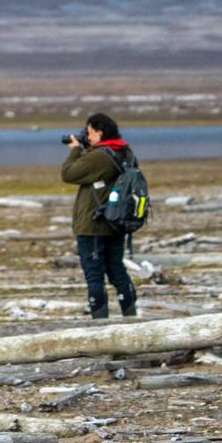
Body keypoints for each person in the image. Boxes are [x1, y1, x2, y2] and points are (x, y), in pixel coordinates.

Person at [61, 113, 139, 318]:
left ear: (100, 132)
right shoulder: (126, 152)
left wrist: (76, 150)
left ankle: (99, 325)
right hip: (117, 223)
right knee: (117, 271)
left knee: (94, 275)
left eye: (89, 132)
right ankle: (131, 318)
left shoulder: (99, 156)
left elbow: (69, 174)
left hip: (93, 224)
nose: (88, 136)